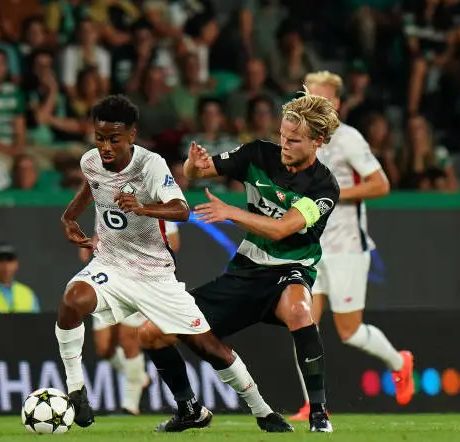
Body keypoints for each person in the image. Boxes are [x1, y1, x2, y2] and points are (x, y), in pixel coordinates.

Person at [55, 95, 289, 433]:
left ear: (132, 135)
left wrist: (142, 207)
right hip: (111, 264)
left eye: (114, 139)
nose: (105, 147)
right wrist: (68, 219)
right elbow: (91, 187)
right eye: (100, 138)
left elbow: (181, 210)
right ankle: (76, 391)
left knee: (210, 348)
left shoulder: (151, 165)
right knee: (72, 299)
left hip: (154, 276)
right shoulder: (90, 161)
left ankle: (263, 410)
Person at [139, 89, 342, 433]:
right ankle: (188, 408)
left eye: (294, 140)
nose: (284, 144)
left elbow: (281, 229)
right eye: (282, 135)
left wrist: (230, 212)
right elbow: (198, 173)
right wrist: (194, 163)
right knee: (150, 333)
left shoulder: (323, 186)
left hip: (290, 270)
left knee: (299, 311)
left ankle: (319, 413)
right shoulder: (258, 154)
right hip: (246, 270)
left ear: (317, 141)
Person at [289, 71, 414, 421]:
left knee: (349, 331)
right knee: (301, 325)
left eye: (322, 98)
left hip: (346, 247)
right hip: (311, 247)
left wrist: (335, 195)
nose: (314, 104)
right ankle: (314, 405)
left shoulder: (349, 139)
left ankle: (398, 360)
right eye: (309, 97)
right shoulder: (298, 138)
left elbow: (380, 185)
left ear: (337, 103)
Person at [78, 221, 180, 415]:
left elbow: (174, 243)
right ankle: (138, 377)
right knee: (103, 347)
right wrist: (93, 243)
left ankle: (130, 404)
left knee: (128, 338)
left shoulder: (159, 203)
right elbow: (103, 231)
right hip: (107, 278)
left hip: (138, 281)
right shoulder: (108, 197)